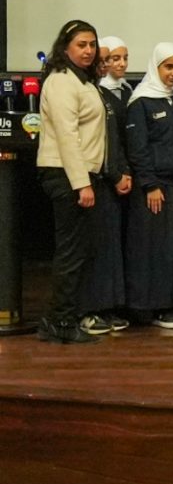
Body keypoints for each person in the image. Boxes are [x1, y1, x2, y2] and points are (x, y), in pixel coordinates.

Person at [35, 20, 108, 344]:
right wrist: (81, 184)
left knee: (79, 251)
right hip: (65, 174)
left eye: (92, 44)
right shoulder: (62, 81)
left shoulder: (83, 80)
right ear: (65, 48)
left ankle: (60, 318)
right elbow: (67, 135)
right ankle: (59, 322)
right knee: (71, 252)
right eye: (81, 44)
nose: (89, 50)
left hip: (80, 173)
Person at [124, 43, 173, 329]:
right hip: (155, 188)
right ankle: (152, 308)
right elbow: (138, 148)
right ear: (155, 67)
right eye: (168, 67)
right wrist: (149, 184)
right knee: (155, 248)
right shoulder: (141, 102)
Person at [79, 35, 133, 335]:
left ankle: (110, 306)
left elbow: (119, 141)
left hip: (116, 179)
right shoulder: (90, 93)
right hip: (95, 178)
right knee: (95, 247)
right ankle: (89, 310)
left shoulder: (119, 93)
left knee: (113, 247)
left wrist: (124, 173)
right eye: (107, 60)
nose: (111, 65)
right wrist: (114, 174)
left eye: (110, 59)